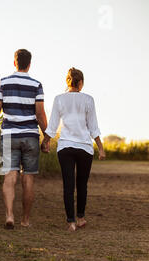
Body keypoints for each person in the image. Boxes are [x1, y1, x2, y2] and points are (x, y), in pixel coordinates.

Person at [0, 49, 48, 229]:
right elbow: (39, 113)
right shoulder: (37, 85)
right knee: (28, 179)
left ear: (14, 62)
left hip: (9, 135)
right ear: (29, 64)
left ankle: (9, 215)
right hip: (30, 135)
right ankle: (25, 220)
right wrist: (47, 136)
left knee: (9, 176)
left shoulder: (4, 82)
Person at [42, 67, 106, 232]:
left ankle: (70, 222)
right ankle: (81, 217)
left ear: (67, 82)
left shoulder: (59, 99)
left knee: (68, 185)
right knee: (82, 184)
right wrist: (101, 148)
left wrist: (45, 142)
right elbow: (93, 127)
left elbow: (53, 125)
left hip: (65, 147)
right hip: (85, 147)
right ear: (81, 83)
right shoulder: (88, 100)